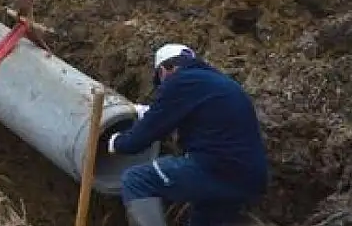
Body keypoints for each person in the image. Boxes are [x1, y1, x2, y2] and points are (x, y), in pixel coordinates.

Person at [106, 43, 269, 226]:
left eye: (160, 84)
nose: (163, 87)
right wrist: (151, 112)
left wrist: (116, 142)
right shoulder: (216, 82)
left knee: (136, 180)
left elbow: (140, 140)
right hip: (248, 179)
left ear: (163, 70)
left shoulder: (179, 81)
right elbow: (184, 114)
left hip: (213, 169)